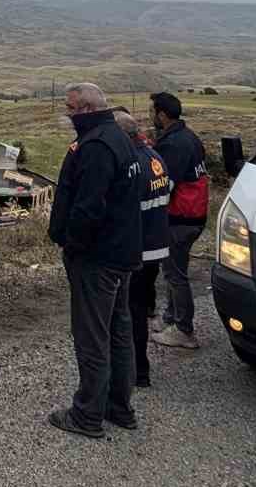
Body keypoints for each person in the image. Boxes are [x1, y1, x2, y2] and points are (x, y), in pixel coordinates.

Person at [46, 83, 144, 438]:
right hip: (121, 252)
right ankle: (120, 407)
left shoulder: (97, 147)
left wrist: (72, 245)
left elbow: (88, 208)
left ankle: (87, 414)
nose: (68, 114)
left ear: (86, 108)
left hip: (97, 258)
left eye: (71, 108)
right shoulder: (118, 137)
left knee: (92, 336)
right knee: (118, 331)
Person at [149, 91, 209, 351]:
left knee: (175, 274)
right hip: (193, 216)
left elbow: (164, 185)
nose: (151, 116)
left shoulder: (173, 144)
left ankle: (184, 330)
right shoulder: (189, 137)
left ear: (161, 114)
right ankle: (171, 319)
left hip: (180, 218)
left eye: (153, 112)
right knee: (174, 270)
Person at [121, 110, 171, 388]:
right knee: (140, 307)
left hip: (138, 250)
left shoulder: (134, 163)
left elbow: (124, 208)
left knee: (132, 311)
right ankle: (140, 369)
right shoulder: (156, 157)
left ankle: (137, 369)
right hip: (157, 245)